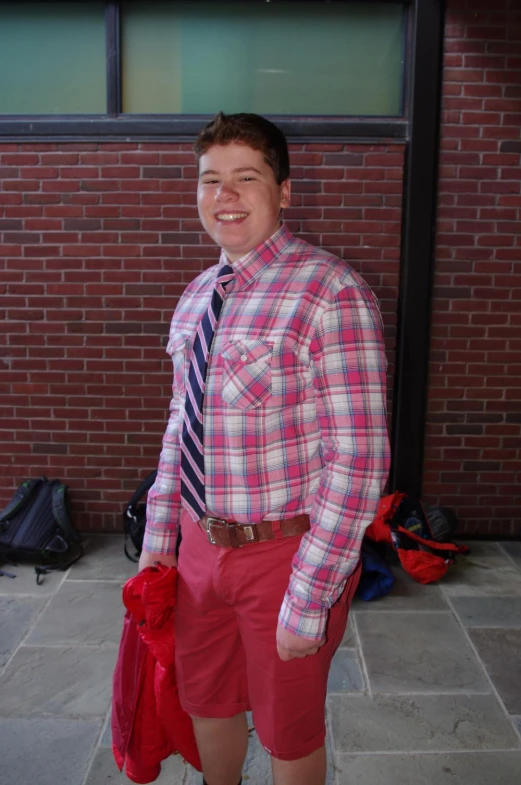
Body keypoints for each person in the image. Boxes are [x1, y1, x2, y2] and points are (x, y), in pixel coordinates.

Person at [139, 112, 391, 785]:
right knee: (205, 701)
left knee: (288, 729)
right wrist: (161, 538)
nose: (225, 195)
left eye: (245, 178)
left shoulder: (330, 292)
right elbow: (179, 425)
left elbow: (358, 459)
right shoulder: (195, 299)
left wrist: (309, 596)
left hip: (281, 554)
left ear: (283, 191)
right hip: (197, 547)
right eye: (210, 179)